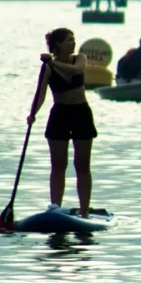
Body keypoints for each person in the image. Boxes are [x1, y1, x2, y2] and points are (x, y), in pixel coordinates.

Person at [28, 28, 96, 216]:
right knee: (58, 165)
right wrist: (32, 114)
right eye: (69, 40)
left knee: (82, 165)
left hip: (81, 113)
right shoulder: (48, 67)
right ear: (58, 44)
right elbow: (40, 94)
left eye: (73, 39)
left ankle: (84, 211)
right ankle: (55, 207)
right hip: (60, 115)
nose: (73, 43)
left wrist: (52, 62)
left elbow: (76, 70)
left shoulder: (79, 58)